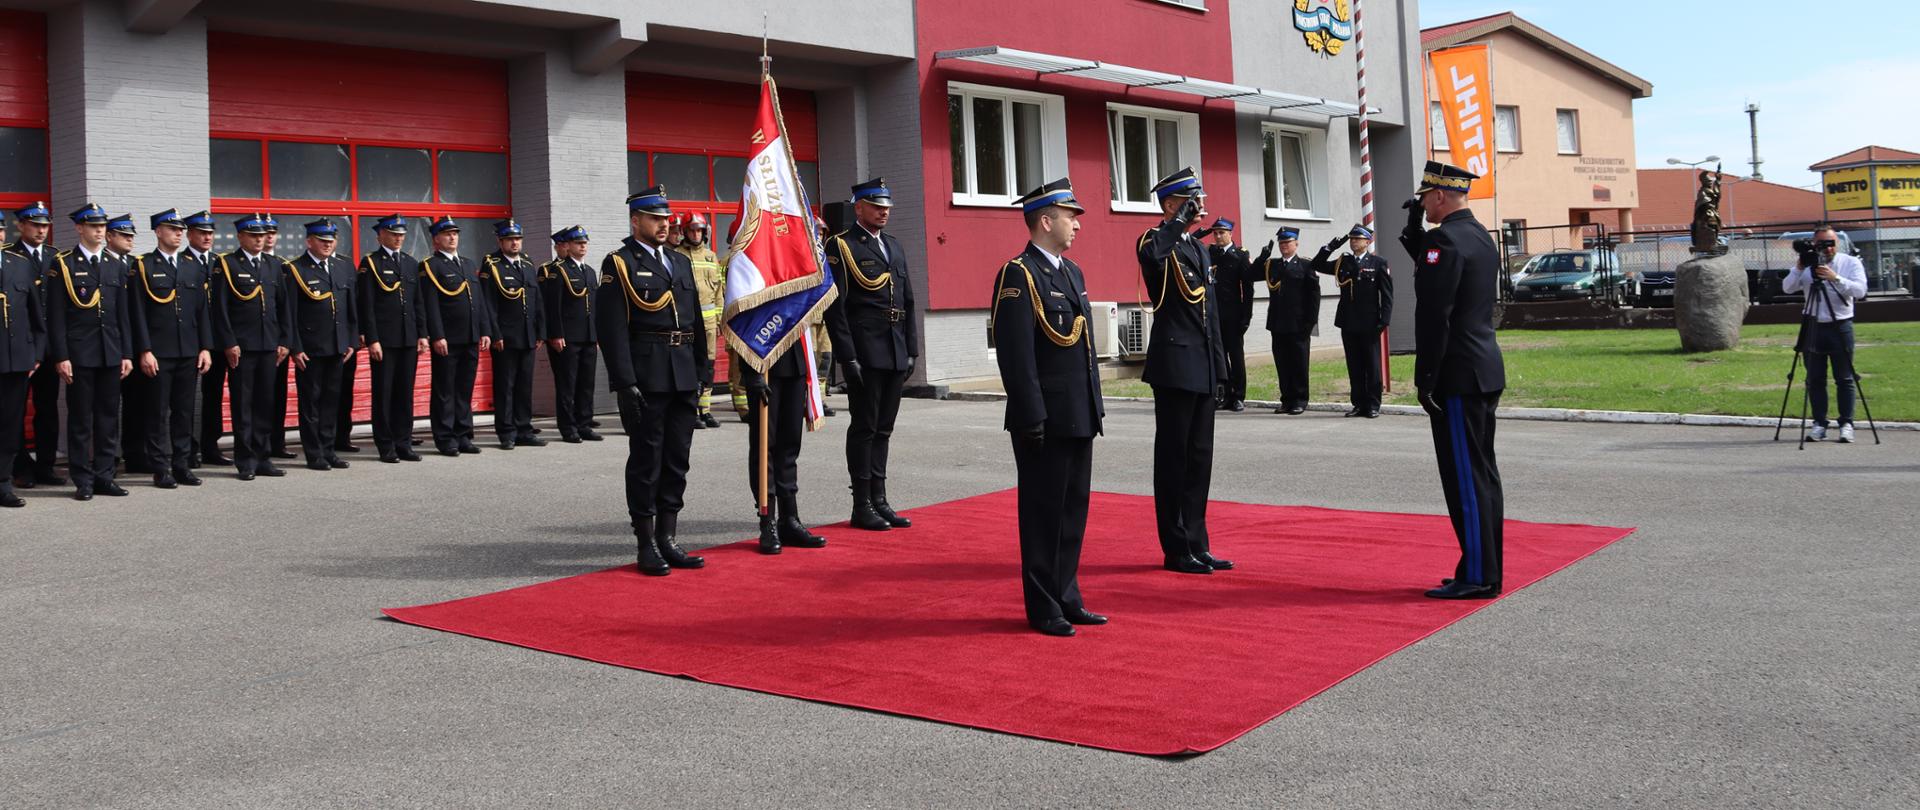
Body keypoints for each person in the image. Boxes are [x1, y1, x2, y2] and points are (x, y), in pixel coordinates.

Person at [995, 178, 1106, 637]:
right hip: (1044, 419)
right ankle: (1043, 606)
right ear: (1045, 220)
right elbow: (1016, 354)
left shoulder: (1071, 272)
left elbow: (1081, 348)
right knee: (1042, 514)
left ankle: (1067, 595)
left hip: (1078, 413)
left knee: (1072, 512)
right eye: (1069, 216)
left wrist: (1094, 407)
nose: (1077, 224)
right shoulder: (1018, 275)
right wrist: (1030, 415)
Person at [1399, 160, 1507, 600]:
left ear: (1440, 196)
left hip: (1457, 372)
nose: (1423, 202)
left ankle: (1478, 576)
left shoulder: (1445, 240)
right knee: (1482, 474)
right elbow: (1438, 266)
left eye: (1425, 197)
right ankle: (1480, 566)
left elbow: (1434, 314)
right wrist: (1412, 230)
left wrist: (1425, 376)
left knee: (1466, 478)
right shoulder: (1478, 235)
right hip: (1482, 366)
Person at [596, 186, 709, 577]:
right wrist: (624, 384)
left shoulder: (679, 262)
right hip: (647, 377)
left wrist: (702, 370)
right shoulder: (620, 263)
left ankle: (669, 538)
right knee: (647, 460)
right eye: (655, 219)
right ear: (636, 221)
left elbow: (694, 319)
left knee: (677, 459)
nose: (664, 225)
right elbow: (611, 330)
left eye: (666, 219)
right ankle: (646, 543)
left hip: (681, 374)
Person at [1136, 167, 1231, 574]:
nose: (1202, 206)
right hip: (1175, 365)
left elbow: (1210, 314)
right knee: (1174, 459)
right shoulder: (1156, 239)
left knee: (1199, 459)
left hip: (1203, 365)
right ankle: (1175, 548)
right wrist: (1176, 221)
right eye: (1192, 200)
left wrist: (1222, 368)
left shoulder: (1198, 247)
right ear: (1173, 204)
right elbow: (1151, 256)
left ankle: (1197, 541)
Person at [823, 177, 918, 531]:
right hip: (865, 351)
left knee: (884, 429)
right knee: (864, 427)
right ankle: (861, 504)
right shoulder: (842, 246)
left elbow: (907, 300)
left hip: (894, 349)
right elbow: (838, 310)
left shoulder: (894, 246)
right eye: (876, 206)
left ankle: (880, 499)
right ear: (858, 207)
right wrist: (848, 358)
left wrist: (912, 350)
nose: (883, 212)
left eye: (887, 207)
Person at [48, 204, 134, 499]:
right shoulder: (64, 264)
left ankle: (104, 476)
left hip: (110, 352)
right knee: (81, 419)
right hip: (80, 354)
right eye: (93, 226)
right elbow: (57, 316)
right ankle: (82, 479)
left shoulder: (116, 264)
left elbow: (123, 314)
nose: (99, 231)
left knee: (108, 418)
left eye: (102, 226)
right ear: (79, 228)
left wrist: (127, 353)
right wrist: (61, 356)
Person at [127, 209, 213, 488]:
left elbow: (202, 311)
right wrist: (144, 350)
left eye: (180, 229)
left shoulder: (191, 266)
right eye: (172, 229)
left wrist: (205, 347)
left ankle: (182, 464)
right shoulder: (144, 265)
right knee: (156, 411)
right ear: (158, 232)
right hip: (159, 352)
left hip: (188, 350)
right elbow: (137, 312)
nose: (178, 233)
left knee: (184, 411)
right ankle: (160, 466)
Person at [213, 213, 294, 481]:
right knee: (243, 404)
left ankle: (263, 457)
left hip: (269, 344)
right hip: (242, 347)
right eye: (253, 236)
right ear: (240, 237)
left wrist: (285, 340)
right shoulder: (227, 264)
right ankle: (245, 460)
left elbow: (284, 306)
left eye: (262, 236)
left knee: (265, 403)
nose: (259, 240)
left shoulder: (273, 265)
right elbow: (220, 309)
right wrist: (229, 342)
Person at [738, 326, 829, 556]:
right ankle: (767, 521)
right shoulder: (757, 285)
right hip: (764, 361)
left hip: (795, 359)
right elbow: (743, 316)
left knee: (790, 445)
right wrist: (751, 371)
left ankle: (789, 519)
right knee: (764, 446)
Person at [1782, 225, 1869, 443]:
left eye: (1830, 243)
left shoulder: (1850, 263)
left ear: (1837, 244)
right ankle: (1819, 423)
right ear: (1814, 244)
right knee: (1814, 379)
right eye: (1821, 244)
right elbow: (1787, 288)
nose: (1826, 248)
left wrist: (1835, 278)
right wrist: (1799, 267)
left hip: (1840, 325)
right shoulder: (1807, 265)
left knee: (1845, 378)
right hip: (1813, 326)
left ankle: (1846, 424)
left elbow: (1860, 291)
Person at [284, 218, 358, 471]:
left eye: (331, 241)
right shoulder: (296, 269)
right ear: (309, 241)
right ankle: (314, 453)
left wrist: (350, 340)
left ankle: (329, 450)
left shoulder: (341, 267)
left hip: (338, 347)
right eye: (322, 240)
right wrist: (296, 347)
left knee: (331, 402)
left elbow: (350, 309)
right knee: (311, 403)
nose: (327, 245)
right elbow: (290, 313)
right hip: (311, 348)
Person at [419, 216, 494, 457]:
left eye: (455, 233)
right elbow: (431, 305)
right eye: (447, 234)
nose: (453, 237)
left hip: (470, 337)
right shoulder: (431, 265)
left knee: (464, 389)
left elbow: (479, 302)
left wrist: (484, 330)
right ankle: (445, 437)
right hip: (448, 339)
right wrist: (437, 335)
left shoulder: (467, 263)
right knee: (445, 390)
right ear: (436, 240)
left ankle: (464, 434)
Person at [356, 214, 428, 464]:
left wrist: (423, 334)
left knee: (404, 393)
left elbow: (418, 302)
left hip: (408, 338)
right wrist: (373, 338)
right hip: (385, 341)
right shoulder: (371, 263)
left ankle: (404, 442)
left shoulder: (410, 263)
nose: (398, 238)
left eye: (401, 235)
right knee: (384, 393)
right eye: (393, 234)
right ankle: (386, 445)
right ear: (381, 235)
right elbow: (367, 305)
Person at [1312, 225, 1393, 418]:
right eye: (1352, 239)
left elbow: (1387, 295)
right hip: (1348, 322)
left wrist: (1384, 320)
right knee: (1354, 365)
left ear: (1367, 241)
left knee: (1372, 365)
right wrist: (1330, 247)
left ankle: (1373, 404)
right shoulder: (1343, 262)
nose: (1354, 242)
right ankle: (1358, 404)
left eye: (1358, 239)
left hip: (1370, 322)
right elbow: (1317, 265)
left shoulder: (1378, 262)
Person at [9, 202, 62, 489]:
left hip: (49, 348)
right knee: (15, 410)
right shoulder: (8, 256)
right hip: (18, 346)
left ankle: (46, 465)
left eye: (45, 225)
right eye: (35, 225)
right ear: (21, 225)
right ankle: (20, 467)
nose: (41, 230)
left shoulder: (55, 257)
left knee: (47, 408)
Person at [480, 219, 545, 450]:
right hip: (505, 337)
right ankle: (506, 432)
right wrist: (494, 334)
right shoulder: (492, 264)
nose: (515, 243)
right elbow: (488, 304)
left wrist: (541, 331)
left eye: (517, 239)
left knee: (524, 386)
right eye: (510, 239)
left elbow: (537, 300)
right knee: (505, 386)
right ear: (501, 241)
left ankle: (524, 429)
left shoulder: (527, 264)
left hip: (527, 335)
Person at [539, 225, 602, 443]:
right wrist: (555, 334)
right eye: (578, 243)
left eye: (585, 243)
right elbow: (553, 306)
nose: (582, 246)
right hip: (568, 337)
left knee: (586, 383)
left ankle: (584, 423)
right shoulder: (559, 271)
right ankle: (568, 427)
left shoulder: (590, 272)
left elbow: (594, 307)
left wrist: (596, 335)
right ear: (568, 246)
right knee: (568, 384)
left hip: (588, 336)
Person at [0, 213, 46, 508]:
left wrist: (36, 355)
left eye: (0, 230)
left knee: (9, 424)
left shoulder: (20, 265)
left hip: (16, 361)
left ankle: (3, 483)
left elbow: (36, 317)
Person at [185, 211, 234, 468]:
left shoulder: (220, 262)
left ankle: (210, 446)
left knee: (213, 395)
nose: (207, 237)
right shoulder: (180, 260)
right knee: (184, 399)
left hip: (216, 340)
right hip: (190, 340)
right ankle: (187, 450)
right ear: (190, 234)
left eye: (210, 233)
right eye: (201, 232)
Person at [107, 214, 153, 474]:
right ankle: (109, 459)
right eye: (124, 235)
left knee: (138, 404)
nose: (129, 240)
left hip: (137, 346)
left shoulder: (138, 265)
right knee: (108, 407)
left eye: (131, 236)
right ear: (110, 237)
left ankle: (135, 455)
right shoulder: (102, 263)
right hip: (112, 345)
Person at [1258, 227, 1319, 414]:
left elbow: (1314, 297)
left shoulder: (1306, 265)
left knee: (1299, 363)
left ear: (1296, 243)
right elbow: (1250, 275)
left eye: (1288, 242)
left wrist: (1310, 323)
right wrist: (1263, 257)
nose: (1284, 246)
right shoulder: (1272, 265)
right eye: (1281, 243)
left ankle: (1300, 399)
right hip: (1277, 323)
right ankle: (1287, 399)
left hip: (1299, 323)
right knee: (1282, 363)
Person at [675, 212, 726, 430]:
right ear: (684, 231)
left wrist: (720, 319)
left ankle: (705, 410)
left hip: (709, 326)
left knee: (708, 367)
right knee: (690, 367)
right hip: (687, 325)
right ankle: (691, 410)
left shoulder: (711, 256)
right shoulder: (676, 255)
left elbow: (718, 292)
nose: (696, 234)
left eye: (699, 230)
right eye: (692, 230)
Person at [1205, 217, 1254, 412]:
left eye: (1221, 233)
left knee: (1236, 356)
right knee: (1220, 357)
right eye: (1215, 233)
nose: (1217, 236)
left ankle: (1239, 395)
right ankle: (1223, 394)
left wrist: (1246, 317)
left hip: (1234, 315)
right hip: (1214, 314)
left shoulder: (1240, 255)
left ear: (1230, 234)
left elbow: (1248, 289)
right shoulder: (1210, 253)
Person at [262, 214, 297, 462]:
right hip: (256, 342)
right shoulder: (234, 264)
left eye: (272, 232)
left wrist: (286, 340)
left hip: (278, 343)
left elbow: (288, 308)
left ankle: (277, 442)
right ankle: (258, 443)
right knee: (257, 397)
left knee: (278, 394)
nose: (269, 237)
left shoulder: (284, 265)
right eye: (265, 232)